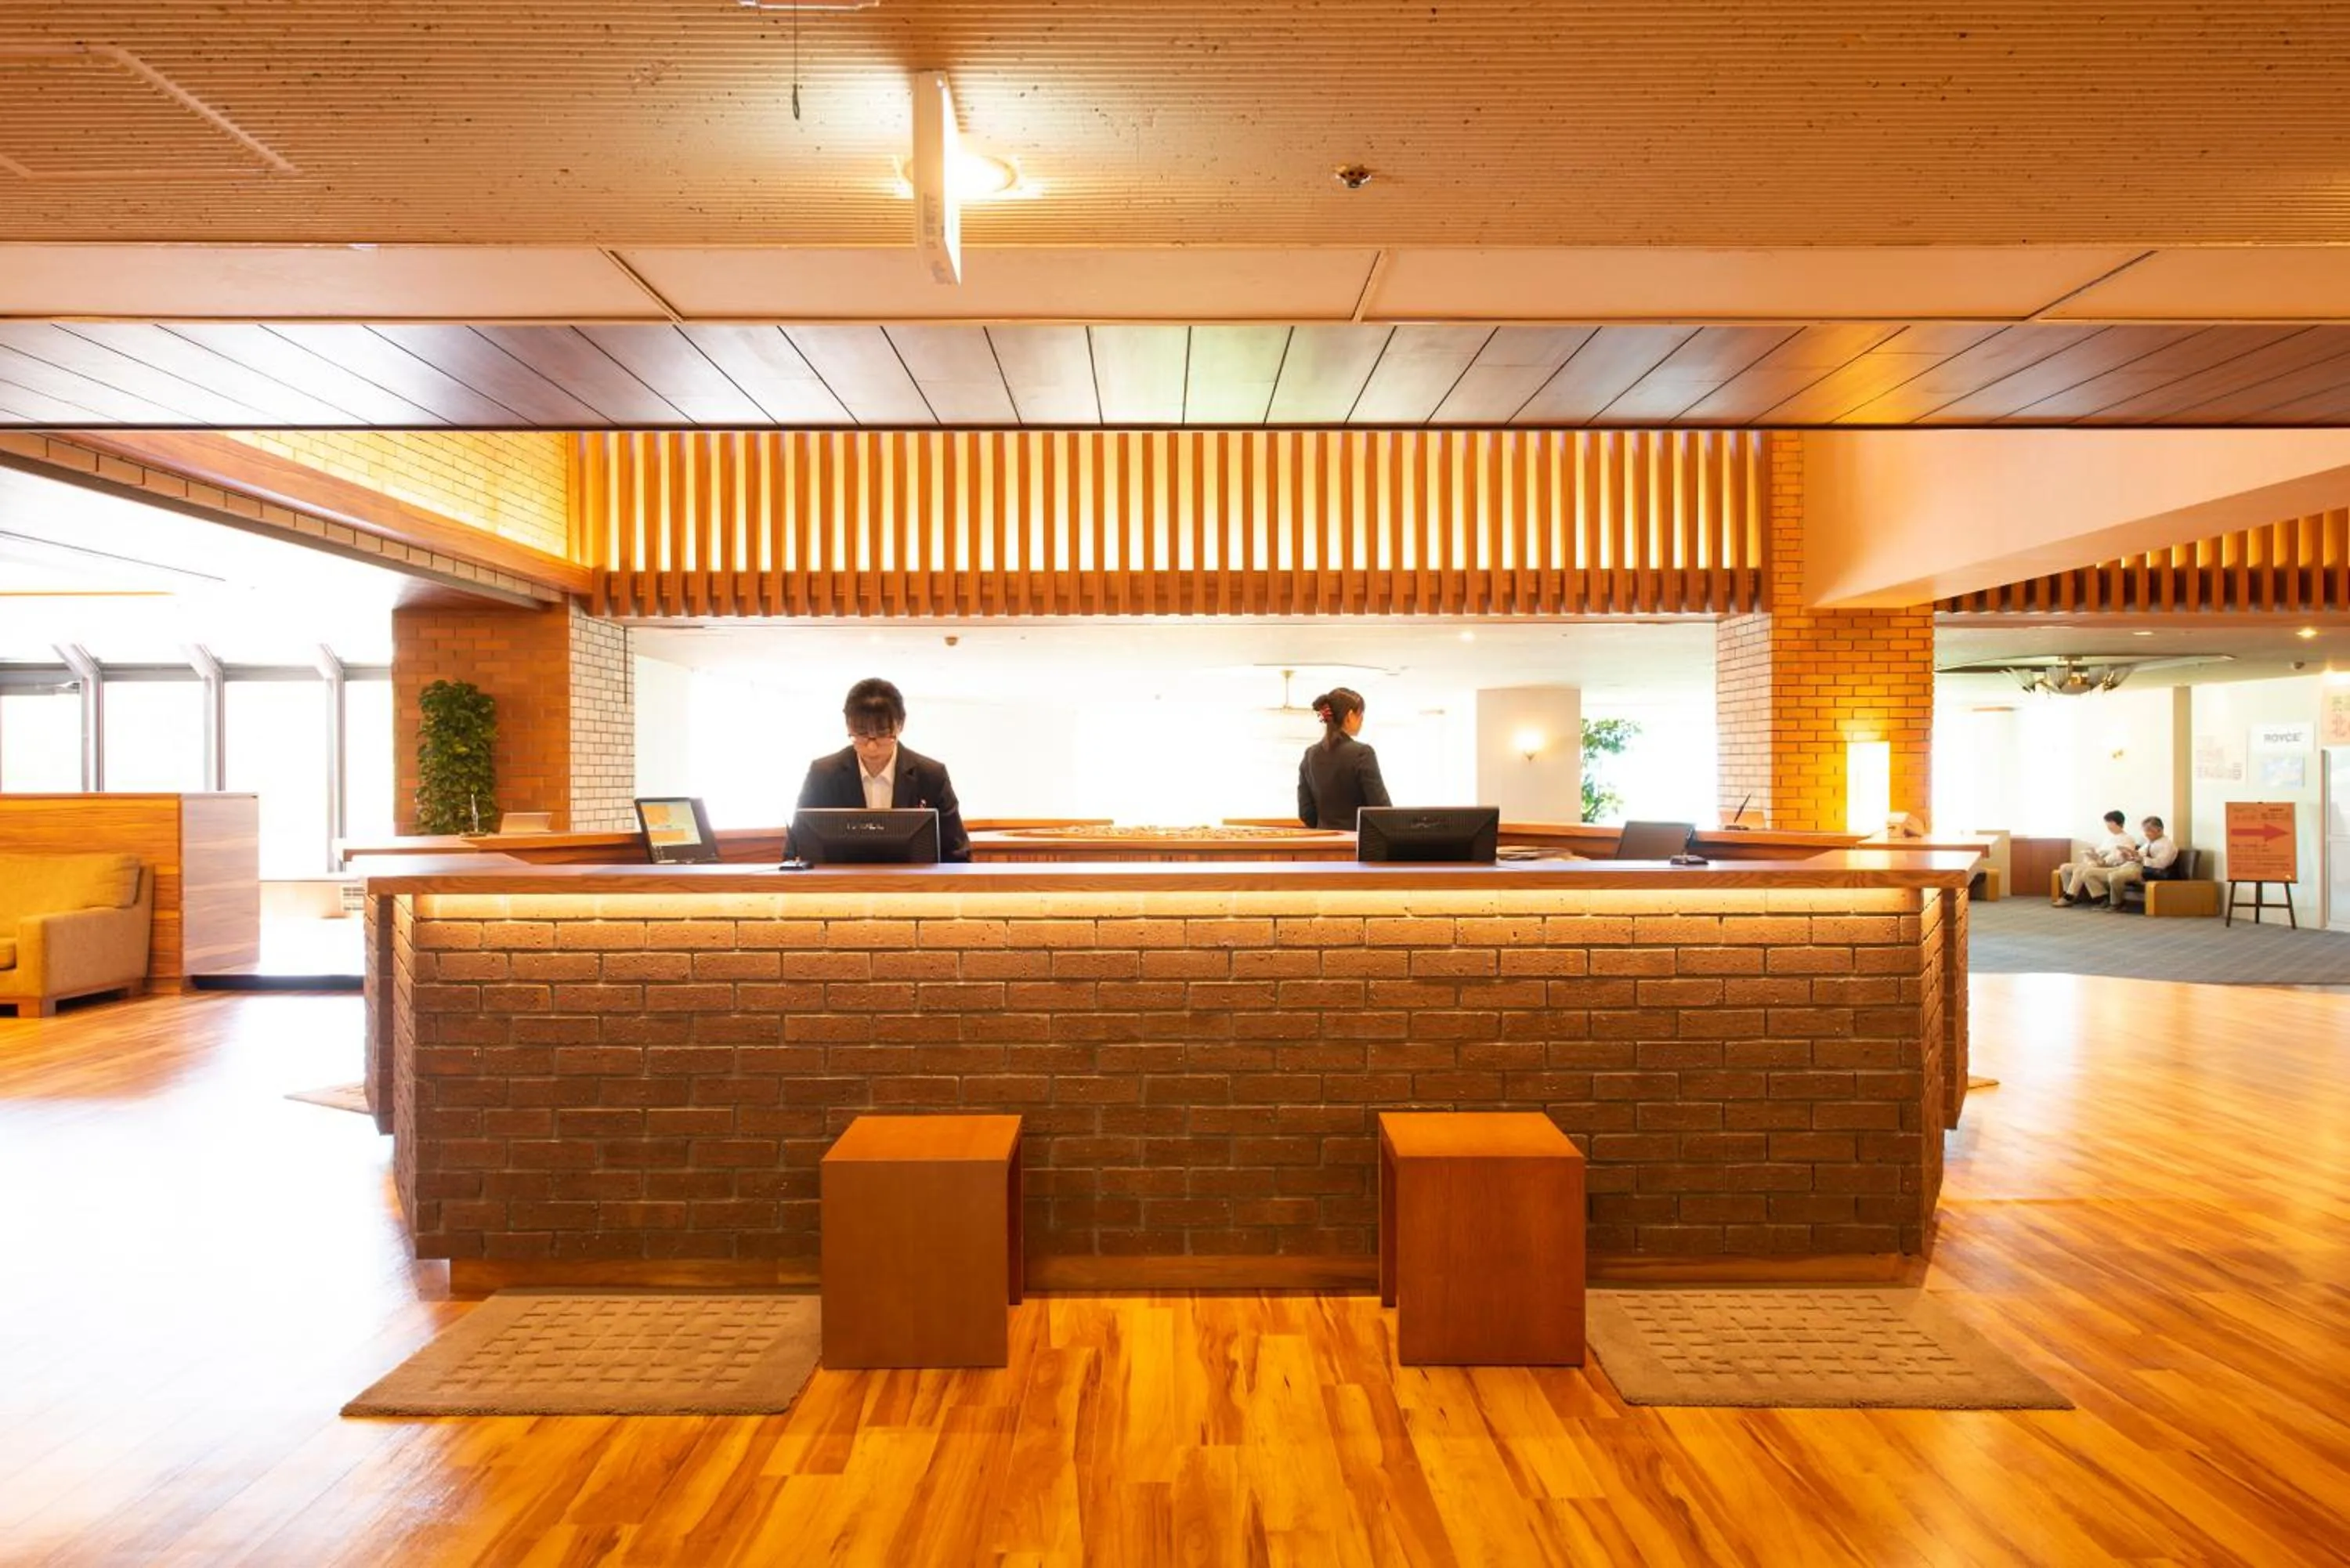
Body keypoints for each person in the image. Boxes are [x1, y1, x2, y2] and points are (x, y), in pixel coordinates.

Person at [794, 677, 971, 862]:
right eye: (861, 735)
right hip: (841, 888)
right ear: (848, 725)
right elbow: (796, 851)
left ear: (901, 724)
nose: (872, 747)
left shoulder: (931, 776)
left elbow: (958, 855)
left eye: (882, 735)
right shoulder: (823, 775)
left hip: (912, 888)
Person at [1296, 686, 1392, 831]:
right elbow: (1381, 810)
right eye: (1361, 715)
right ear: (1350, 715)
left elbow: (1306, 813)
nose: (1362, 721)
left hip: (1322, 844)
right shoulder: (1363, 753)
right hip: (1357, 844)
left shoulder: (1310, 755)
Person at [2090, 815, 2179, 911]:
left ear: (2159, 830)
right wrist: (2128, 856)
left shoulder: (2167, 845)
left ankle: (2117, 904)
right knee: (2089, 873)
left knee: (2114, 876)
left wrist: (2141, 859)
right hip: (2128, 867)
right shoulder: (2148, 843)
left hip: (2142, 871)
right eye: (2145, 831)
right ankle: (2104, 900)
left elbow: (2161, 864)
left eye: (2149, 831)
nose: (2146, 834)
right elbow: (2138, 855)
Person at [2057, 811, 2135, 905]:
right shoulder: (2109, 838)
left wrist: (2100, 859)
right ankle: (2068, 892)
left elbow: (2120, 858)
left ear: (2114, 823)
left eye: (2108, 823)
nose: (2107, 826)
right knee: (2064, 867)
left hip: (2107, 865)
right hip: (2096, 862)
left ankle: (2069, 897)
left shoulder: (2127, 838)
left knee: (2079, 869)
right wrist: (2092, 853)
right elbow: (2101, 850)